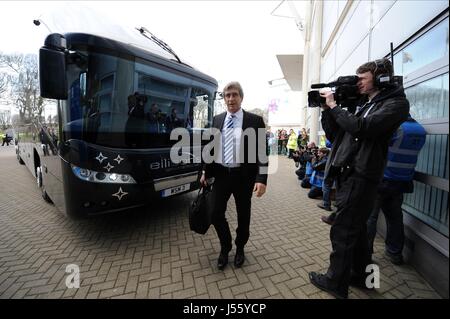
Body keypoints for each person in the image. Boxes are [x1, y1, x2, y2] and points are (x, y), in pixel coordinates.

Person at [308, 58, 409, 299]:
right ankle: (363, 276)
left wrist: (334, 106)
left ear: (381, 78)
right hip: (350, 174)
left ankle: (335, 282)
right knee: (359, 232)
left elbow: (362, 128)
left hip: (363, 176)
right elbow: (338, 133)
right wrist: (327, 110)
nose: (358, 84)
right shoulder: (367, 103)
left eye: (362, 79)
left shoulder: (396, 104)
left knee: (342, 231)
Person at [200, 81, 268, 270]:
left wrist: (261, 179)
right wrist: (205, 170)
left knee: (243, 215)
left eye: (234, 95)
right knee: (215, 213)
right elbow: (210, 148)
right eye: (227, 95)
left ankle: (240, 248)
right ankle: (225, 245)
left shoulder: (255, 121)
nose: (230, 99)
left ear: (241, 97)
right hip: (221, 175)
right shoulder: (217, 119)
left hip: (243, 177)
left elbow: (262, 152)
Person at [366, 116, 426, 265]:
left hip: (383, 179)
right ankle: (395, 253)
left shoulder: (395, 128)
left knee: (370, 218)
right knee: (395, 217)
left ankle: (365, 254)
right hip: (401, 181)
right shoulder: (421, 130)